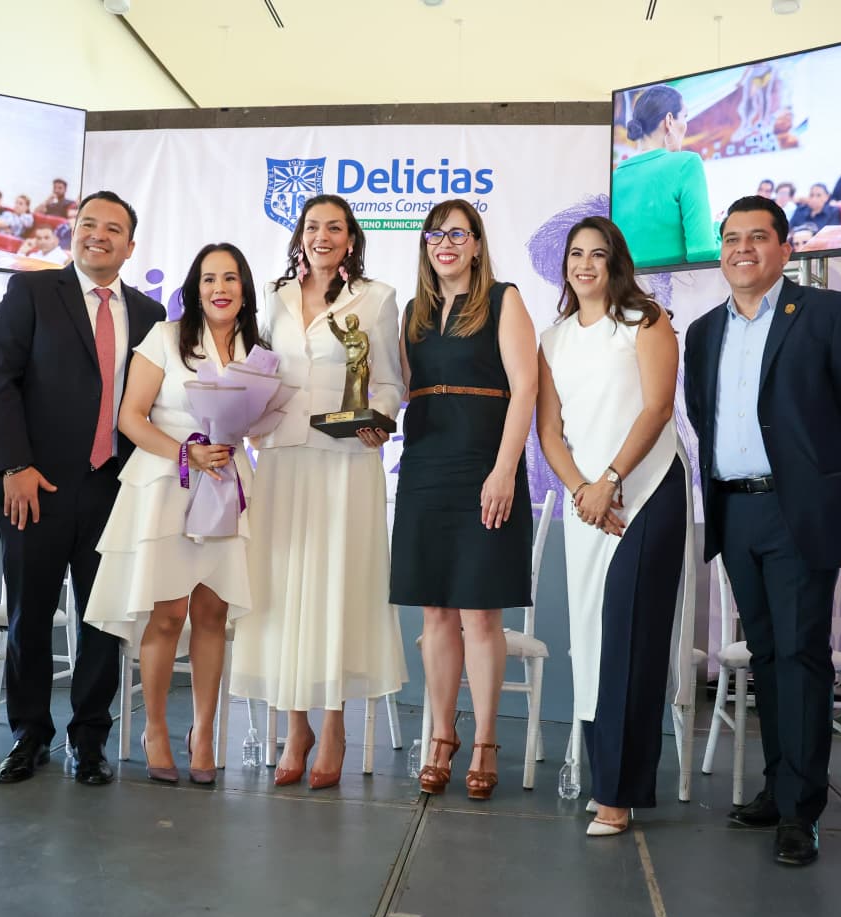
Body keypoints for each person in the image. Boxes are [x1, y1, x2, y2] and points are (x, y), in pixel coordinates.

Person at [684, 195, 841, 866]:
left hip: (797, 511)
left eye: (757, 237)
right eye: (731, 238)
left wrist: (820, 479)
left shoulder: (828, 313)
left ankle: (801, 812)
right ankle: (778, 787)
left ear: (785, 248)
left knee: (801, 654)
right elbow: (702, 413)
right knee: (766, 654)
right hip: (735, 509)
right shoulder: (703, 331)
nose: (742, 249)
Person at [0, 191, 164, 786]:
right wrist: (15, 465)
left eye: (113, 228)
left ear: (130, 246)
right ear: (73, 232)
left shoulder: (152, 314)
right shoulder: (32, 292)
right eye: (88, 224)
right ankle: (29, 734)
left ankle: (89, 738)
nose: (98, 235)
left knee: (102, 619)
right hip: (34, 485)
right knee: (29, 616)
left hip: (115, 488)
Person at [230, 194, 407, 790]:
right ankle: (295, 726)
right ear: (300, 235)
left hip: (345, 462)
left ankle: (333, 726)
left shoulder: (377, 298)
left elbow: (390, 383)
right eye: (313, 226)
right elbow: (257, 373)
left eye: (335, 227)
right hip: (282, 460)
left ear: (351, 238)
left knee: (337, 588)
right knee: (282, 590)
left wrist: (378, 419)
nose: (322, 236)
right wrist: (243, 417)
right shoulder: (273, 297)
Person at [84, 243, 263, 785]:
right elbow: (131, 417)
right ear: (195, 289)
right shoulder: (165, 337)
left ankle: (203, 732)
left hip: (227, 484)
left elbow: (260, 423)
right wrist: (186, 453)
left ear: (244, 289)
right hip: (168, 483)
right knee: (167, 615)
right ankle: (156, 728)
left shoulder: (259, 350)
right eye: (209, 279)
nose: (219, 288)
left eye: (230, 278)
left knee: (212, 615)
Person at [537, 217, 691, 836]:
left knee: (632, 639)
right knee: (593, 640)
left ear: (615, 262)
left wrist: (610, 479)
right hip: (588, 507)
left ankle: (618, 794)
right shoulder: (552, 340)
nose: (585, 264)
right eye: (576, 254)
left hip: (645, 494)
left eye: (597, 254)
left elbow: (657, 406)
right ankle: (605, 778)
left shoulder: (646, 321)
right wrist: (582, 489)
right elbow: (549, 431)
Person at [390, 199, 538, 801]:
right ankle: (441, 738)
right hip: (425, 466)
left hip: (484, 466)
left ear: (477, 243)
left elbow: (525, 389)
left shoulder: (504, 300)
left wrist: (504, 470)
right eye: (435, 234)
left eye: (458, 233)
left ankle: (484, 742)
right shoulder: (412, 312)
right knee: (434, 613)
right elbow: (402, 389)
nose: (445, 243)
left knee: (480, 613)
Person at [612, 84, 719, 268]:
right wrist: (718, 230)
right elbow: (702, 253)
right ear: (669, 120)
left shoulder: (615, 177)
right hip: (679, 285)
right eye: (685, 116)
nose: (685, 125)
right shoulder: (687, 164)